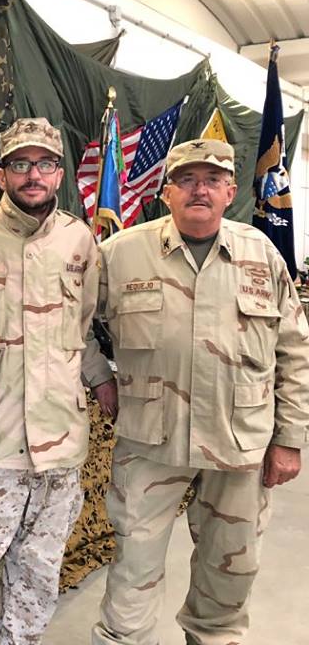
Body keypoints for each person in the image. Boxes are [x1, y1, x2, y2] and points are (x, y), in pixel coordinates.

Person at [92, 139, 309, 645]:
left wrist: (290, 438)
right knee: (133, 567)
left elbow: (295, 350)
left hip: (238, 443)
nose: (199, 190)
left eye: (212, 180)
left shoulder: (262, 255)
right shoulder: (120, 254)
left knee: (230, 570)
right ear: (166, 192)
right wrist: (98, 375)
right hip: (151, 440)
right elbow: (72, 322)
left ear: (230, 191)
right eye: (186, 180)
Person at [0, 117, 118, 644]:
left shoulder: (79, 240)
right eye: (20, 164)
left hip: (60, 443)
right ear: (2, 176)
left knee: (38, 573)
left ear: (60, 173)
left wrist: (101, 380)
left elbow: (82, 327)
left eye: (44, 164)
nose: (33, 175)